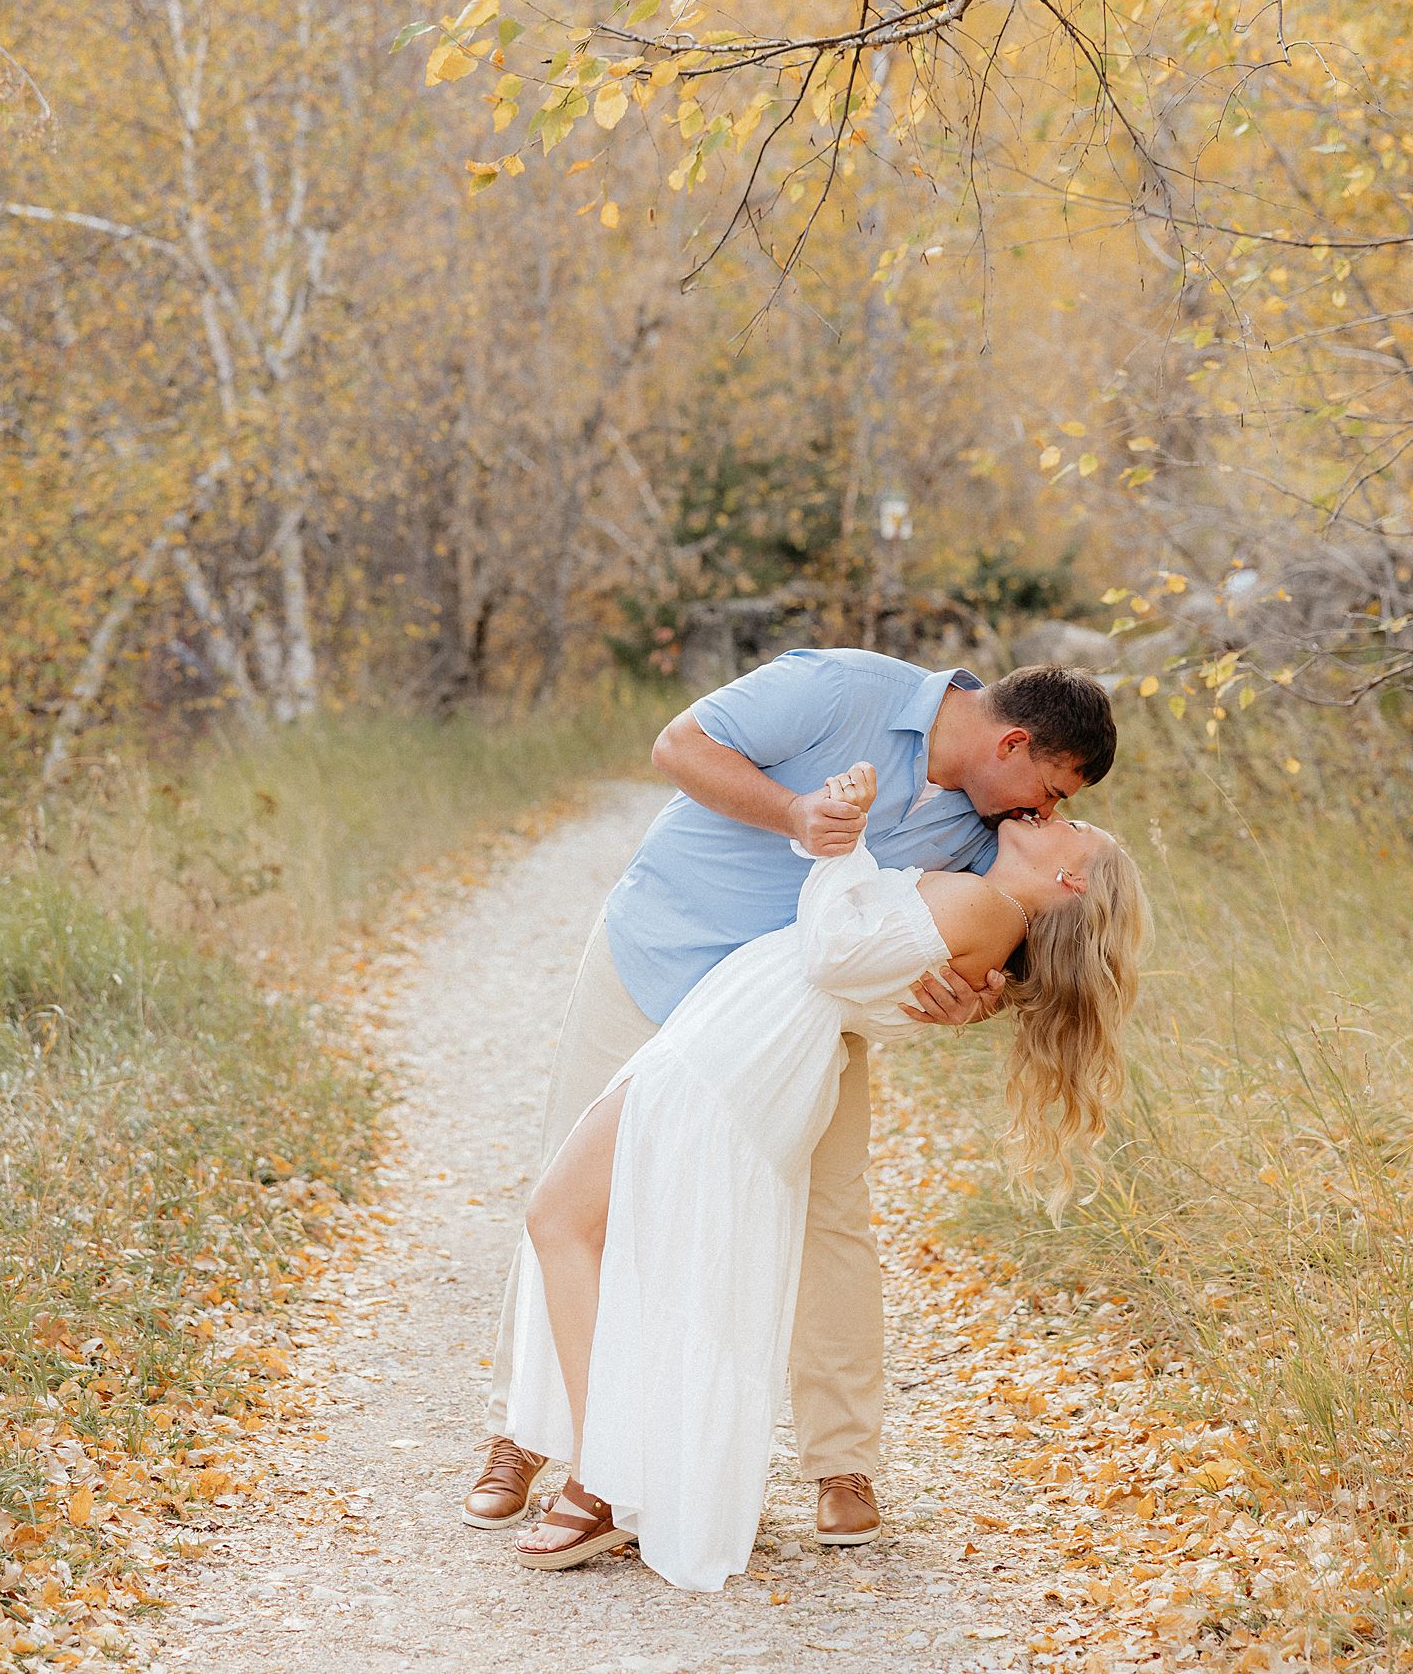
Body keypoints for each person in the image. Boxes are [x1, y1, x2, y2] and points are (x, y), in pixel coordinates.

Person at [464, 649, 1118, 1546]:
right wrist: (794, 813)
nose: (1044, 811)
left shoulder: (985, 831)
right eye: (1052, 788)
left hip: (790, 1021)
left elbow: (988, 942)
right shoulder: (840, 688)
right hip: (660, 951)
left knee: (830, 1213)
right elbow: (678, 746)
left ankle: (841, 1460)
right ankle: (524, 1433)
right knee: (576, 1192)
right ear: (1012, 743)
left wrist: (972, 1001)